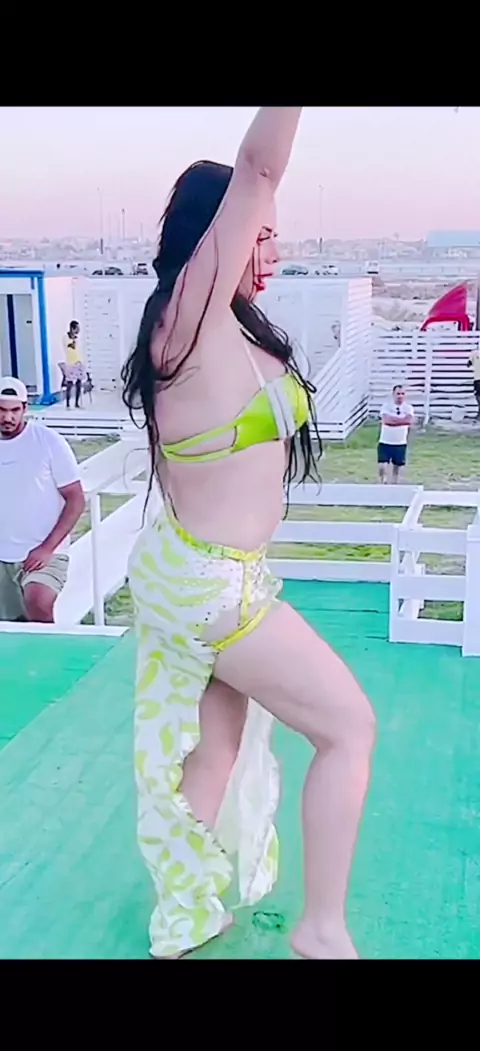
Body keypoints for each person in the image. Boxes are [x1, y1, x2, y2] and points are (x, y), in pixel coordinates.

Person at [121, 106, 375, 961]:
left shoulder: (223, 325)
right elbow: (259, 165)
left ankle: (188, 916)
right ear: (216, 238)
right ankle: (321, 929)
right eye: (258, 236)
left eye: (271, 237)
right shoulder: (187, 321)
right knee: (348, 729)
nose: (272, 253)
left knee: (215, 747)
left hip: (206, 573)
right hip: (209, 585)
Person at [0, 376, 85, 622]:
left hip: (44, 552)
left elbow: (76, 499)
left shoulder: (49, 442)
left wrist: (47, 549)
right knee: (12, 625)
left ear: (25, 408)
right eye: (2, 410)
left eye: (14, 410)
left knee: (38, 603)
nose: (8, 417)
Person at [378, 384, 415, 484]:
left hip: (400, 442)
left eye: (402, 394)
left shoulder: (408, 408)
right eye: (398, 394)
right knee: (382, 466)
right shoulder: (386, 406)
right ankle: (383, 483)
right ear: (393, 394)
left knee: (397, 467)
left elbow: (409, 421)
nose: (400, 396)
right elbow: (386, 420)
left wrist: (394, 420)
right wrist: (401, 420)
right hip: (385, 441)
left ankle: (395, 484)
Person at [60, 320, 86, 408]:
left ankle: (77, 403)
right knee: (70, 383)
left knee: (79, 382)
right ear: (72, 328)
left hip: (78, 362)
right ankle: (68, 403)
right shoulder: (66, 338)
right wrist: (73, 339)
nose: (78, 330)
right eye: (77, 328)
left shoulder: (77, 338)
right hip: (70, 363)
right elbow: (71, 346)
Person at [467, 351, 480, 420]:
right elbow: (468, 364)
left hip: (477, 379)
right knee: (478, 396)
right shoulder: (474, 354)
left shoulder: (474, 354)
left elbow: (468, 364)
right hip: (477, 379)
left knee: (478, 396)